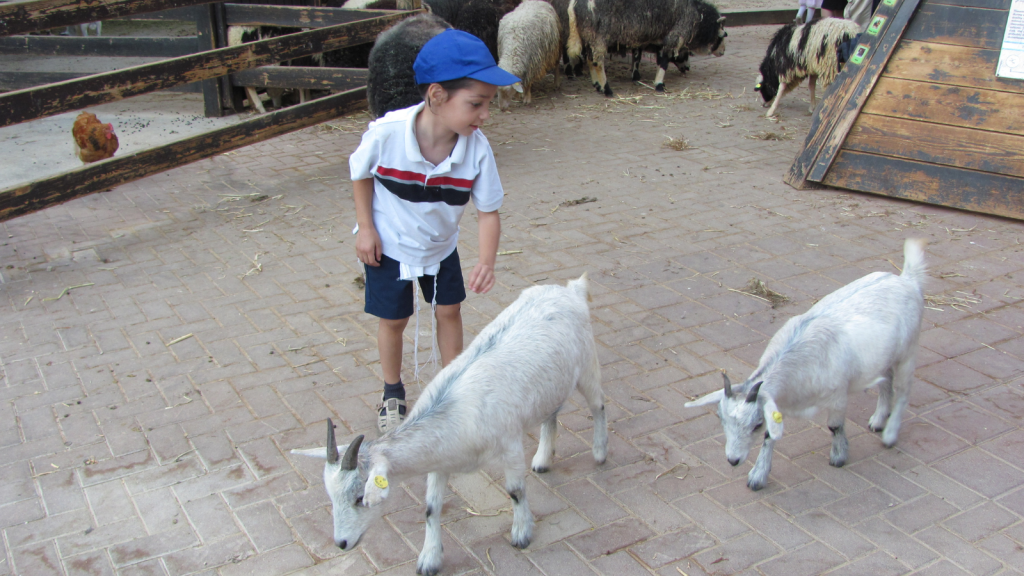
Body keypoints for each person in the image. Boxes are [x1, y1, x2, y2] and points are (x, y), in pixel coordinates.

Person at [348, 29, 521, 433]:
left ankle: (454, 388)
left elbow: (489, 212)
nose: (485, 115)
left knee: (449, 311)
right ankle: (392, 393)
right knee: (394, 319)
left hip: (441, 248)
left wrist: (486, 261)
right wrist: (366, 229)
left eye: (488, 104)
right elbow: (359, 174)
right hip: (388, 245)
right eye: (476, 104)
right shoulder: (386, 134)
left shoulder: (476, 149)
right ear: (437, 95)